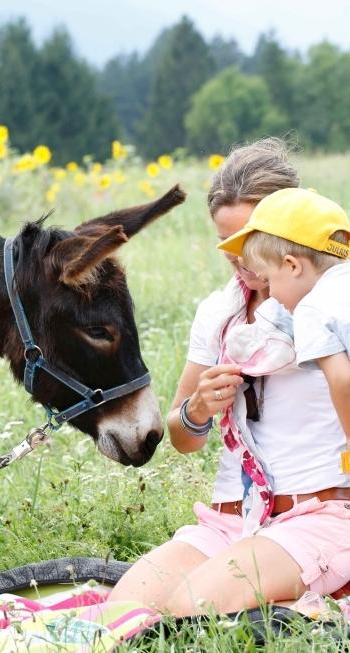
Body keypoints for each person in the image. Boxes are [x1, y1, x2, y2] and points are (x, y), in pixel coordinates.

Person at [108, 138, 350, 616]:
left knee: (191, 611)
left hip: (317, 513)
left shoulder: (331, 303)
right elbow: (182, 436)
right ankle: (295, 603)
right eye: (231, 249)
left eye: (253, 244)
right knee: (125, 612)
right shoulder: (220, 312)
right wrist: (199, 407)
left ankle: (316, 603)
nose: (245, 262)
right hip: (233, 520)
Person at [219, 188, 350, 465]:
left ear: (292, 266)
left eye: (269, 279)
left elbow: (343, 381)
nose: (273, 294)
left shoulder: (312, 308)